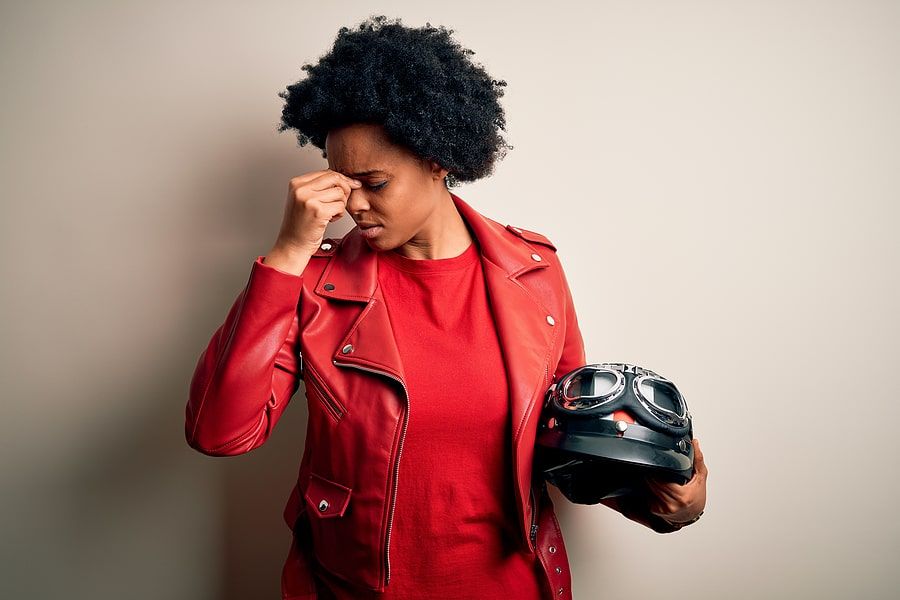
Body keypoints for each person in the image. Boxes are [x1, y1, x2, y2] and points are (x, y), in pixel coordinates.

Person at [184, 15, 707, 600]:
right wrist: (285, 255)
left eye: (373, 182)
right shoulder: (313, 281)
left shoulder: (533, 273)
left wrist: (666, 496)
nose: (351, 203)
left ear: (439, 161)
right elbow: (221, 433)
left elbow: (568, 438)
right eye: (339, 180)